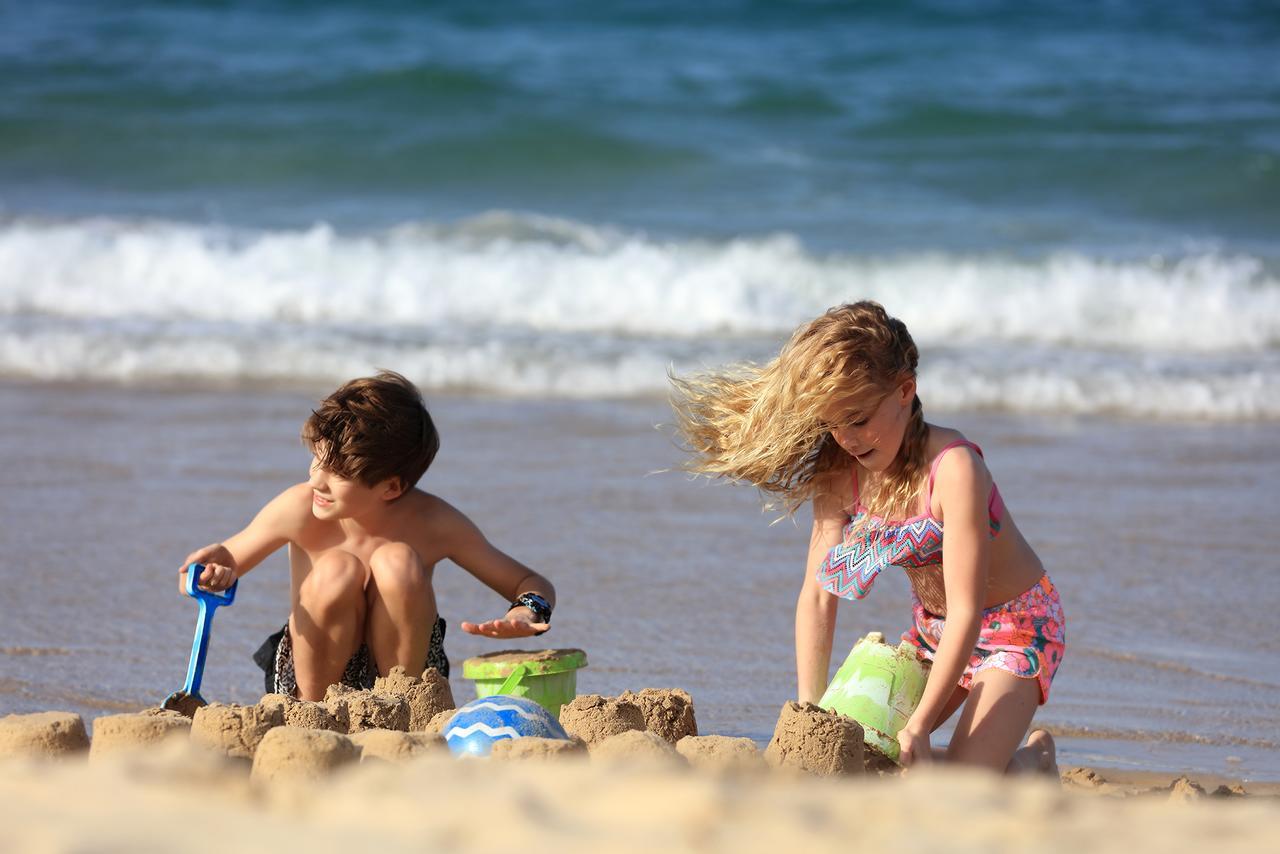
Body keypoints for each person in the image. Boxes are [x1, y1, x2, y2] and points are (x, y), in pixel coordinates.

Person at [670, 301, 1064, 773]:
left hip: (1014, 629)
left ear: (905, 391)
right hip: (931, 633)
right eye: (832, 425)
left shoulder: (955, 470)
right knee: (862, 755)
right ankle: (1000, 761)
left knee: (962, 781)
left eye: (857, 420)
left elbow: (967, 610)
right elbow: (817, 595)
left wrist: (917, 725)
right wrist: (808, 711)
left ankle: (1032, 761)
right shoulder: (841, 474)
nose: (848, 439)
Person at [177, 371, 556, 701]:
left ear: (390, 487)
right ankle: (312, 714)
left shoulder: (433, 521)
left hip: (404, 671)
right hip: (311, 674)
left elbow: (528, 582)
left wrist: (527, 610)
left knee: (397, 561)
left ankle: (403, 704)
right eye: (317, 459)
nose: (315, 480)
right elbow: (221, 564)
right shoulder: (298, 507)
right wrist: (212, 569)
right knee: (337, 569)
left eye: (337, 473)